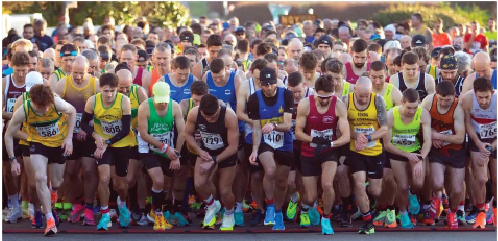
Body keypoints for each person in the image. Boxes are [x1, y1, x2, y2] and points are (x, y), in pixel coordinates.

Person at [5, 84, 76, 236]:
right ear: (32, 102)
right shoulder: (24, 109)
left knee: (57, 182)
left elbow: (73, 111)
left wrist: (69, 138)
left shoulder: (57, 103)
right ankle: (49, 220)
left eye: (46, 106)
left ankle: (52, 192)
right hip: (38, 144)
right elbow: (9, 134)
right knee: (40, 177)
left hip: (58, 144)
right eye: (39, 107)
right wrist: (13, 160)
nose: (43, 110)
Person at [295, 75, 350, 234]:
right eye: (321, 97)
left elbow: (346, 136)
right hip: (309, 150)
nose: (325, 101)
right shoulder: (305, 104)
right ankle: (305, 207)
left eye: (329, 97)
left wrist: (329, 144)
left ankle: (326, 218)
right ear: (314, 92)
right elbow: (298, 132)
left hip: (329, 150)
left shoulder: (338, 105)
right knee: (311, 196)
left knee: (327, 185)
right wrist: (315, 140)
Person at [80, 73, 136, 230]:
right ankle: (105, 215)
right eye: (106, 91)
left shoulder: (123, 101)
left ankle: (122, 204)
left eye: (113, 90)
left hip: (121, 144)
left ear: (117, 89)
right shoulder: (93, 101)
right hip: (102, 143)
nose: (110, 94)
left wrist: (108, 143)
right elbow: (84, 124)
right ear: (100, 89)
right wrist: (96, 136)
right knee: (104, 179)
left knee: (121, 185)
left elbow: (125, 130)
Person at [54, 56, 100, 225]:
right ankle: (80, 201)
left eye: (82, 73)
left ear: (88, 70)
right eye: (75, 73)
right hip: (69, 135)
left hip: (89, 134)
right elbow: (56, 110)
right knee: (71, 172)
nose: (78, 77)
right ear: (70, 69)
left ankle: (88, 206)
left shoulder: (95, 84)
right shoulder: (62, 84)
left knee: (88, 170)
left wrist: (86, 127)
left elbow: (101, 110)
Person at [247, 67, 294, 230]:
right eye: (265, 85)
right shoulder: (254, 99)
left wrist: (274, 125)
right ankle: (271, 206)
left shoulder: (287, 95)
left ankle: (279, 212)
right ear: (260, 83)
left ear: (276, 82)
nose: (268, 88)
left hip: (283, 140)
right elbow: (256, 128)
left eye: (271, 84)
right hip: (265, 141)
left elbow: (287, 125)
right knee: (270, 170)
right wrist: (254, 150)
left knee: (281, 181)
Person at [185, 94, 239, 230]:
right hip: (206, 151)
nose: (209, 119)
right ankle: (211, 205)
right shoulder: (194, 113)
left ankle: (229, 213)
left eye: (213, 116)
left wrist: (215, 160)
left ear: (218, 109)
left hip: (226, 153)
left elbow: (233, 147)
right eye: (206, 116)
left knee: (225, 190)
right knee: (199, 184)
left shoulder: (229, 116)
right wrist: (198, 150)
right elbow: (187, 134)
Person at [342, 77, 388, 234]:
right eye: (360, 96)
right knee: (359, 184)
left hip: (374, 150)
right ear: (354, 90)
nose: (363, 99)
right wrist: (356, 136)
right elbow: (340, 127)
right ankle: (368, 222)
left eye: (366, 96)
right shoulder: (346, 100)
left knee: (375, 191)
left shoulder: (378, 101)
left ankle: (369, 200)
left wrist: (368, 137)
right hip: (356, 150)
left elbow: (384, 128)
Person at [137, 81, 185, 230]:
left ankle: (154, 209)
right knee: (158, 180)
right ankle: (158, 213)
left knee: (164, 183)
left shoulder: (175, 106)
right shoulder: (145, 107)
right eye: (159, 102)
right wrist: (165, 147)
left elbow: (182, 131)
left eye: (165, 102)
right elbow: (144, 134)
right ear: (153, 96)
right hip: (149, 148)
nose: (162, 105)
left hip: (167, 149)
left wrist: (176, 154)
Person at [384, 88, 432, 229]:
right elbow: (387, 145)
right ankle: (404, 214)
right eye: (409, 108)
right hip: (396, 152)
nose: (412, 111)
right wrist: (406, 155)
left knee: (418, 183)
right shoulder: (391, 115)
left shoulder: (423, 114)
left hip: (415, 150)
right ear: (401, 103)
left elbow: (427, 141)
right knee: (402, 186)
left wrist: (421, 159)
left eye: (415, 107)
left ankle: (412, 194)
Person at [420, 81, 466, 228]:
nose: (444, 103)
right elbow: (418, 123)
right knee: (437, 183)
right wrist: (430, 135)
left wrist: (436, 136)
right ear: (436, 95)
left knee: (457, 189)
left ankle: (452, 213)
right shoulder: (428, 101)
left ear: (454, 96)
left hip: (456, 150)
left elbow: (459, 137)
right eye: (441, 99)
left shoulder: (458, 107)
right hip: (437, 150)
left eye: (448, 100)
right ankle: (437, 197)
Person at [461, 78, 497, 229]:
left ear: (492, 93)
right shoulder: (467, 99)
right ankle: (481, 211)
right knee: (481, 178)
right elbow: (467, 123)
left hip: (495, 139)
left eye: (486, 97)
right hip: (478, 140)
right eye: (480, 97)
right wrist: (478, 143)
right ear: (475, 94)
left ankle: (495, 209)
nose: (483, 101)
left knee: (496, 179)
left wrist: (489, 149)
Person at [115, 68, 148, 226]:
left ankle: (135, 205)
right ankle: (119, 206)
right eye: (121, 87)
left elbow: (149, 113)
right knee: (116, 179)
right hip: (116, 141)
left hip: (135, 141)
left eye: (128, 86)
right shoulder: (109, 94)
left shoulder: (138, 92)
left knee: (130, 177)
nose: (125, 90)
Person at [2, 52, 30, 225]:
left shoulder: (32, 83)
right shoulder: (5, 83)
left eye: (24, 71)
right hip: (10, 132)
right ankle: (14, 205)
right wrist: (16, 115)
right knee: (7, 171)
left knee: (28, 170)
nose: (21, 74)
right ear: (12, 67)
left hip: (28, 132)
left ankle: (28, 203)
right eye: (18, 70)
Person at [284, 71, 314, 224]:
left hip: (305, 144)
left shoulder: (312, 96)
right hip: (289, 144)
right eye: (292, 91)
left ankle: (304, 211)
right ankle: (294, 199)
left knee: (303, 182)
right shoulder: (283, 95)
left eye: (298, 92)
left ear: (304, 85)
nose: (295, 95)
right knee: (289, 182)